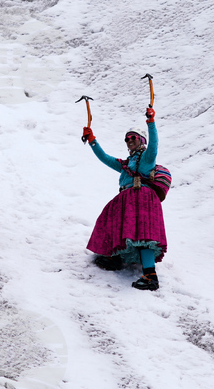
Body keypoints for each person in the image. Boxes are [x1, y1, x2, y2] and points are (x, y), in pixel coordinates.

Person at [81, 107, 166, 291]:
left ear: (141, 140)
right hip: (127, 198)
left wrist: (151, 123)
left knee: (144, 235)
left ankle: (150, 276)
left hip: (142, 197)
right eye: (127, 139)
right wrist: (92, 141)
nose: (129, 141)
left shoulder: (146, 159)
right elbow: (105, 158)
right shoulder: (125, 164)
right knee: (111, 220)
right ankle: (115, 256)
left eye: (133, 137)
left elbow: (154, 146)